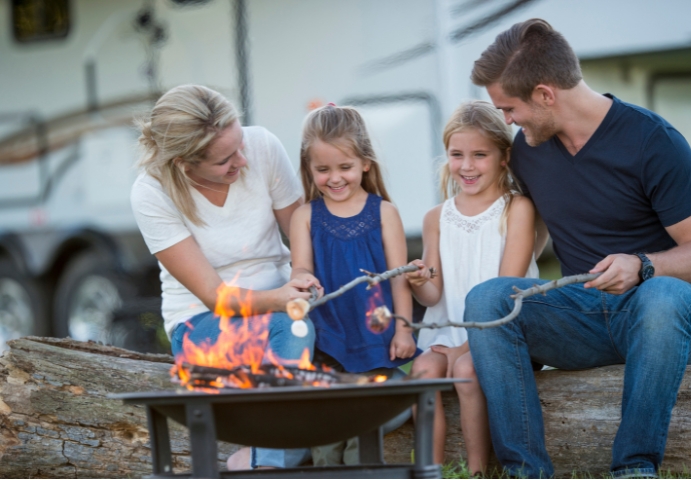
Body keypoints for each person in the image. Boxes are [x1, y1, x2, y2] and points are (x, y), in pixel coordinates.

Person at [464, 18, 691, 479]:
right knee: (486, 299)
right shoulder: (529, 150)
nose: (507, 121)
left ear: (545, 94)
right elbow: (533, 230)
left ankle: (634, 468)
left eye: (509, 108)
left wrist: (642, 266)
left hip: (667, 311)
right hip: (583, 314)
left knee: (661, 298)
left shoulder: (653, 142)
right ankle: (526, 472)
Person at [130, 84, 317, 470]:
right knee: (292, 327)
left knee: (306, 329)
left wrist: (300, 272)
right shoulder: (152, 193)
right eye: (225, 160)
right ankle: (270, 460)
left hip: (282, 304)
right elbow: (216, 297)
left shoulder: (262, 145)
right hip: (205, 325)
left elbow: (299, 227)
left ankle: (280, 448)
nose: (243, 161)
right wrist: (283, 299)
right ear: (184, 162)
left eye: (240, 145)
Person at [404, 100, 539, 475]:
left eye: (479, 154)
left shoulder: (517, 209)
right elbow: (434, 294)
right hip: (446, 333)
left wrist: (466, 345)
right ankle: (430, 469)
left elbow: (507, 288)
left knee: (466, 369)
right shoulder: (436, 217)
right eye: (456, 154)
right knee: (423, 371)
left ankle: (477, 469)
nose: (466, 166)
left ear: (503, 156)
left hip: (501, 332)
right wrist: (419, 284)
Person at [289, 103, 420, 465]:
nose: (335, 178)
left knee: (364, 419)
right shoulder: (305, 216)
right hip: (327, 334)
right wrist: (300, 276)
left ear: (365, 163)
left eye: (345, 167)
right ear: (309, 169)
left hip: (374, 332)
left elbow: (399, 279)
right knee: (327, 424)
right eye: (323, 169)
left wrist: (404, 330)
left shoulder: (384, 213)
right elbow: (300, 265)